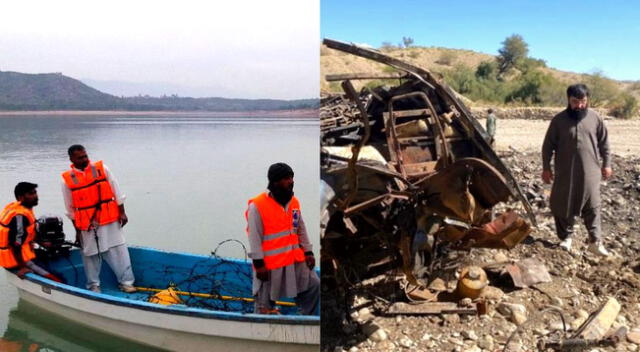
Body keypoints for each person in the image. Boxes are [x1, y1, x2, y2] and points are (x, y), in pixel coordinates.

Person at [542, 84, 612, 256]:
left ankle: (595, 242)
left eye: (583, 101)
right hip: (565, 172)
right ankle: (566, 238)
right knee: (561, 203)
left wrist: (607, 164)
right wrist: (546, 168)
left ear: (587, 100)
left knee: (593, 205)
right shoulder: (558, 120)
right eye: (575, 102)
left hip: (591, 172)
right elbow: (547, 146)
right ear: (568, 100)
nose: (579, 106)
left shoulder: (596, 118)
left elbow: (605, 144)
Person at [245, 162, 319, 315]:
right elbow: (254, 238)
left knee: (314, 285)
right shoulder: (257, 206)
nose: (291, 181)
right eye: (286, 178)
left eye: (291, 177)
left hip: (294, 260)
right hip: (269, 266)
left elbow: (300, 228)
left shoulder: (294, 202)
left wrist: (308, 252)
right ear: (275, 182)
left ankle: (305, 319)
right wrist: (259, 265)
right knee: (264, 307)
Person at [61, 145, 136, 293]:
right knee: (90, 255)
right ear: (71, 159)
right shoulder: (67, 181)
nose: (84, 160)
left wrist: (122, 212)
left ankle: (126, 282)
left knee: (119, 250)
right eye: (80, 158)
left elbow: (117, 190)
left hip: (109, 218)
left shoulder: (102, 169)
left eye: (85, 156)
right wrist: (77, 230)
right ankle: (93, 285)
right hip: (87, 224)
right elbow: (70, 209)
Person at [0, 182, 61, 282]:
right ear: (21, 197)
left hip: (25, 252)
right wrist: (22, 267)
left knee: (50, 257)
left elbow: (29, 232)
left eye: (35, 192)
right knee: (56, 279)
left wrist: (42, 243)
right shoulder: (20, 216)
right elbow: (16, 244)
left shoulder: (23, 209)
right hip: (20, 259)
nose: (35, 196)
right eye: (31, 194)